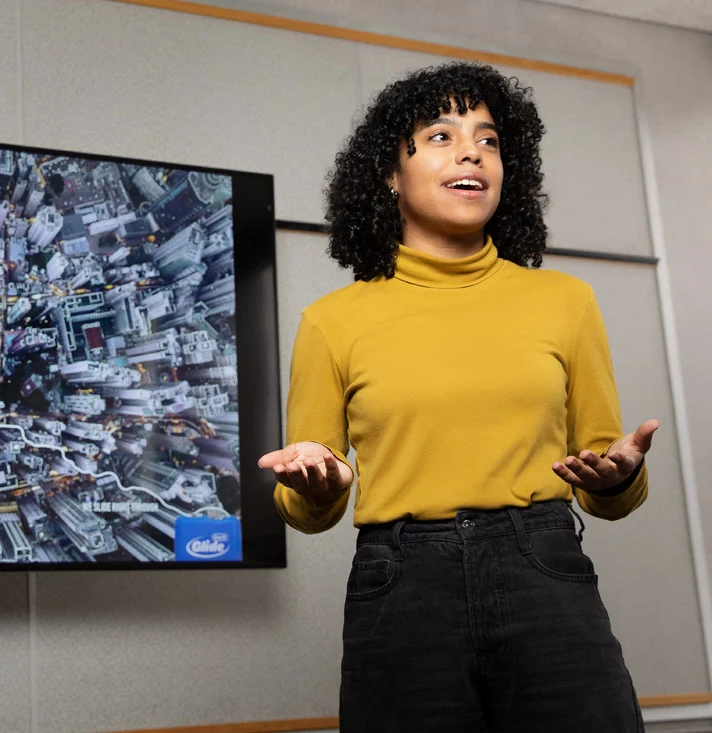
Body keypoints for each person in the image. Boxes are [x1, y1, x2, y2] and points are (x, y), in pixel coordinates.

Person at [257, 61, 659, 732]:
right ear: (390, 173)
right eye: (441, 135)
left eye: (489, 139)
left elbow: (601, 481)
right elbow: (305, 504)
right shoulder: (332, 321)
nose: (472, 150)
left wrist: (618, 475)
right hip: (402, 584)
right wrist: (320, 486)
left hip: (545, 568)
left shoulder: (566, 301)